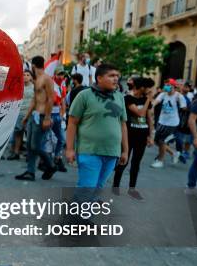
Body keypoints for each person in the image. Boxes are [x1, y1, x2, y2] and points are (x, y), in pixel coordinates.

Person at [66, 64, 128, 196]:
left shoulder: (119, 97)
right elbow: (72, 123)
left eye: (117, 76)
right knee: (87, 187)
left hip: (112, 152)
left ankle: (84, 214)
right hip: (89, 151)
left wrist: (125, 150)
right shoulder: (84, 95)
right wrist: (70, 149)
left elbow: (122, 124)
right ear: (99, 78)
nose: (116, 79)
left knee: (98, 187)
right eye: (111, 76)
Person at [112, 76, 155, 200]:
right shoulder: (128, 98)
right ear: (141, 87)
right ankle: (116, 186)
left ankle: (132, 189)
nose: (149, 90)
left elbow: (149, 118)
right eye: (148, 88)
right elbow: (140, 113)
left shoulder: (145, 99)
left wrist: (150, 135)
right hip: (129, 135)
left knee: (136, 163)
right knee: (123, 161)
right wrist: (149, 100)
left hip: (142, 135)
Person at [15, 56, 56, 181]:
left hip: (43, 116)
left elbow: (50, 99)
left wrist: (47, 118)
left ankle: (51, 165)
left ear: (33, 66)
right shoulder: (37, 79)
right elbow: (34, 99)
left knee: (35, 146)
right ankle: (30, 171)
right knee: (29, 145)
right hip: (34, 116)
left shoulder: (47, 79)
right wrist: (27, 116)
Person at [150, 79, 186, 168]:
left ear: (174, 86)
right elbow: (156, 102)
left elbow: (184, 108)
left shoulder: (179, 96)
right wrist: (151, 106)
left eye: (168, 84)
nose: (166, 86)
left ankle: (160, 161)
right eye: (165, 84)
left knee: (162, 141)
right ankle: (174, 153)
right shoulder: (163, 94)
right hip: (162, 121)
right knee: (156, 141)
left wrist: (180, 104)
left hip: (172, 123)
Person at [7, 69, 34, 160]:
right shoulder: (19, 87)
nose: (25, 77)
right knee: (18, 133)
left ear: (31, 77)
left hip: (30, 113)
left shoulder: (34, 87)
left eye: (28, 75)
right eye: (24, 75)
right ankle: (16, 152)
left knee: (29, 134)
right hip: (19, 112)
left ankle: (29, 154)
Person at [50, 70, 68, 172]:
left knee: (61, 139)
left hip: (58, 115)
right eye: (59, 74)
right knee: (49, 139)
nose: (61, 77)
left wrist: (62, 114)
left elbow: (63, 101)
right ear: (54, 75)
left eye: (62, 75)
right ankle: (47, 161)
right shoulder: (51, 84)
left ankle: (57, 157)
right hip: (50, 114)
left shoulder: (62, 85)